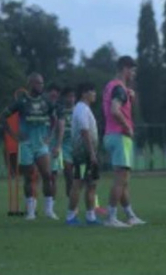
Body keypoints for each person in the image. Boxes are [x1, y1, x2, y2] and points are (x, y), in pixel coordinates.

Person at [0, 73, 58, 220]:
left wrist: (50, 135)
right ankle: (31, 211)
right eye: (39, 83)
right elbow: (2, 117)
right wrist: (13, 135)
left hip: (41, 145)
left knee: (47, 176)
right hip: (26, 145)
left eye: (42, 83)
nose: (41, 86)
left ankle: (49, 210)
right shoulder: (21, 102)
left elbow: (55, 118)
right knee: (29, 178)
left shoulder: (46, 101)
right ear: (31, 84)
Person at [102, 56, 146, 228]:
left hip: (110, 135)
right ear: (125, 69)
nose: (133, 74)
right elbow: (115, 110)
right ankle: (111, 217)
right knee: (121, 179)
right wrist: (127, 126)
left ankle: (130, 215)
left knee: (124, 179)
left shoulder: (111, 86)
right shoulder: (119, 88)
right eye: (132, 70)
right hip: (120, 136)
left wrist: (129, 95)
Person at [66, 83, 102, 226]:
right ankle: (70, 216)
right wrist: (92, 153)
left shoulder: (85, 109)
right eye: (92, 91)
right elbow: (84, 132)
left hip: (88, 154)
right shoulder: (81, 109)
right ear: (84, 94)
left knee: (91, 184)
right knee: (78, 184)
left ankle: (90, 216)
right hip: (83, 155)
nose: (94, 94)